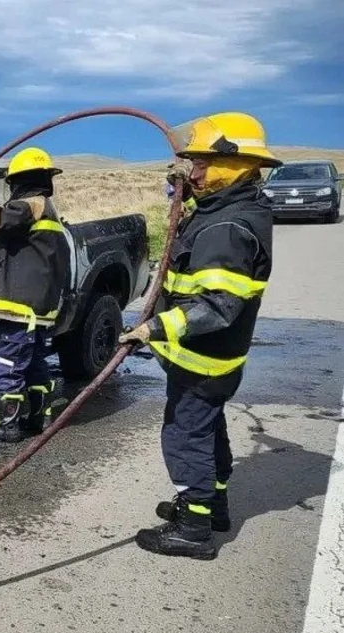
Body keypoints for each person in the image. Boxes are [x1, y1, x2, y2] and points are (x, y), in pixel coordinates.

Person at [119, 111, 278, 560]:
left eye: (204, 164)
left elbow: (217, 307)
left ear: (233, 163)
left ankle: (193, 529)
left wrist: (153, 328)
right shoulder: (230, 208)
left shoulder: (227, 229)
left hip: (203, 358)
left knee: (185, 436)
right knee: (209, 430)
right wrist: (188, 196)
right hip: (213, 360)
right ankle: (213, 506)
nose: (196, 172)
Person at [0, 146, 72, 444]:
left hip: (22, 303)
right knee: (32, 358)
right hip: (37, 304)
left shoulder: (30, 204)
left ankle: (7, 424)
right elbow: (11, 241)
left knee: (7, 360)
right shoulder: (43, 207)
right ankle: (37, 417)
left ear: (18, 180)